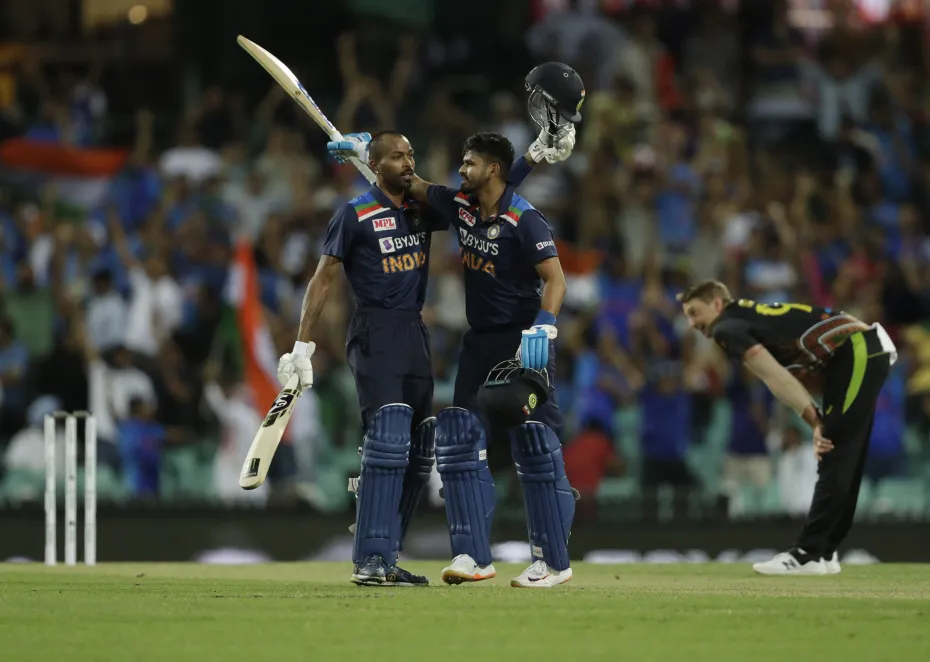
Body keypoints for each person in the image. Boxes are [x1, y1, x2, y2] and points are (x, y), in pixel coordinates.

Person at [281, 122, 575, 587]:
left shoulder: (486, 214)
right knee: (423, 437)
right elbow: (325, 275)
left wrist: (535, 155)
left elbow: (504, 203)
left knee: (481, 445)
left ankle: (551, 561)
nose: (412, 164)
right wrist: (303, 343)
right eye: (397, 156)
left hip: (500, 337)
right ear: (376, 164)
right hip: (405, 333)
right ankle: (432, 557)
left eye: (411, 155)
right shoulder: (374, 212)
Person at [677, 280, 898, 576]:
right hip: (862, 350)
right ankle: (825, 551)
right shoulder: (746, 316)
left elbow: (775, 377)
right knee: (847, 456)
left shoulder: (726, 327)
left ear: (717, 304)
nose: (692, 324)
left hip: (858, 349)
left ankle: (807, 553)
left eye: (695, 312)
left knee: (834, 451)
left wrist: (816, 421)